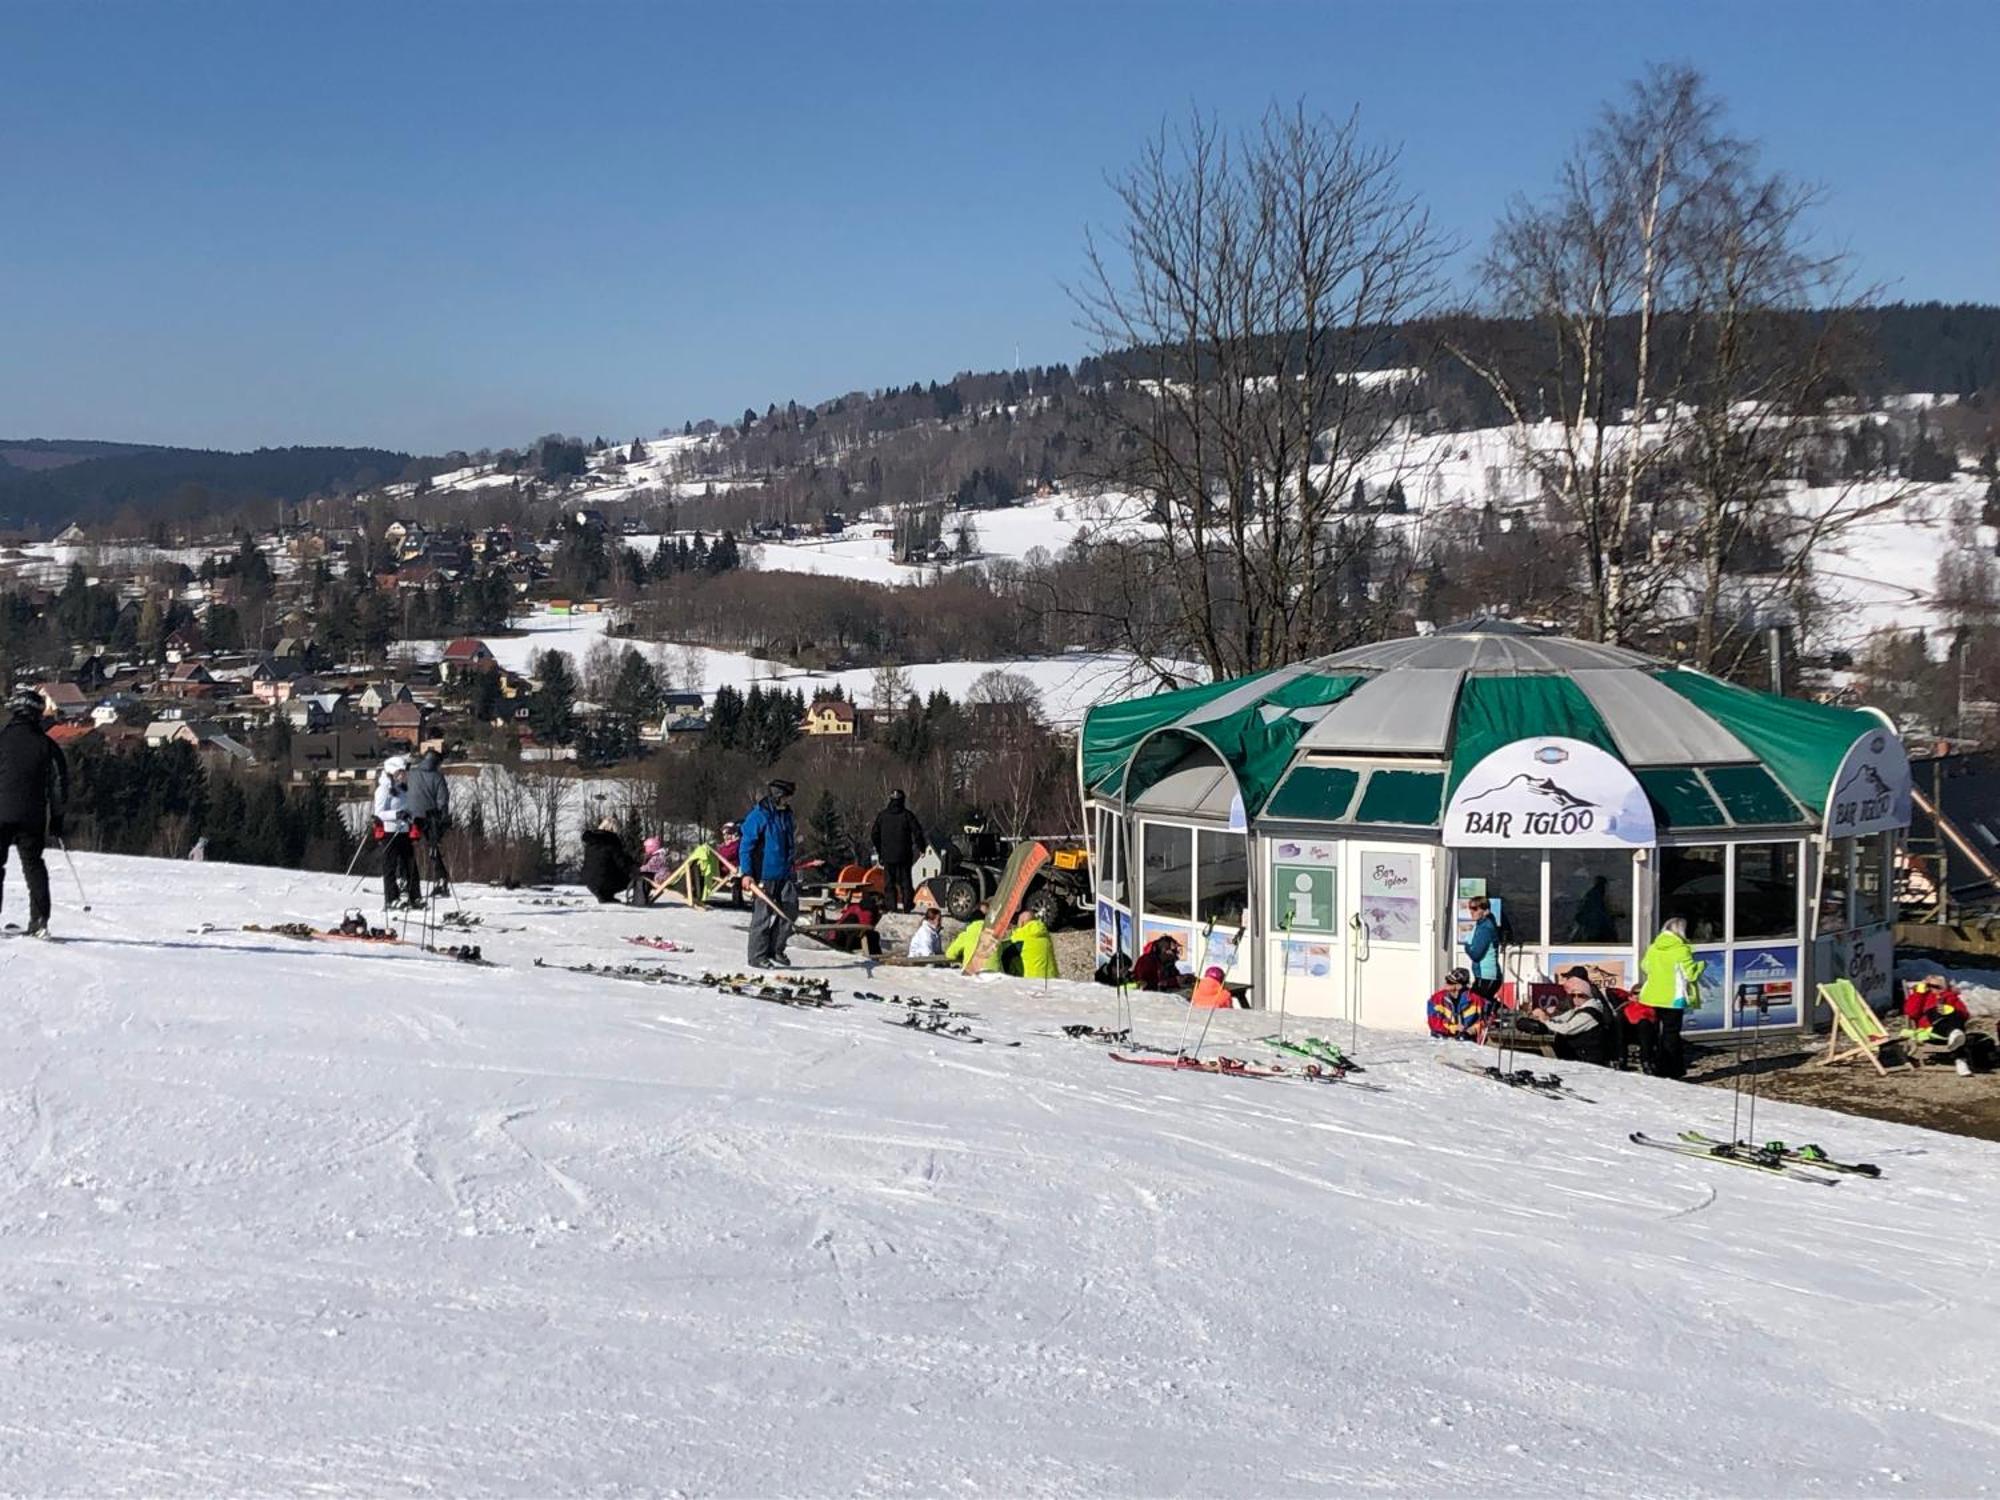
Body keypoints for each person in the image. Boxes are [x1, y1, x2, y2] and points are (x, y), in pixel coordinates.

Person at [0, 688, 70, 938]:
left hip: (1, 813)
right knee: (34, 866)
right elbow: (59, 785)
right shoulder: (47, 745)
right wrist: (58, 819)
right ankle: (39, 921)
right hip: (33, 816)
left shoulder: (2, 739)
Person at [740, 779, 799, 968]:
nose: (789, 801)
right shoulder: (759, 816)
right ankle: (757, 956)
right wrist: (747, 873)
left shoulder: (786, 815)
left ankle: (775, 949)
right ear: (778, 796)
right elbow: (746, 846)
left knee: (790, 910)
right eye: (787, 797)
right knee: (762, 917)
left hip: (785, 873)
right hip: (763, 874)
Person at [1637, 915, 1705, 1079]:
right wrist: (1701, 966)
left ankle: (1656, 1064)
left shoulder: (1654, 947)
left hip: (1652, 995)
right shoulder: (1681, 949)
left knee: (1657, 1031)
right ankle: (1672, 1069)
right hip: (1673, 997)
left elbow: (1645, 966)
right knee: (1671, 1033)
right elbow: (1690, 975)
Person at [1525, 966, 1618, 1067]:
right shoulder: (1579, 999)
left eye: (1580, 995)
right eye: (1573, 995)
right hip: (1582, 1048)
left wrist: (1547, 1020)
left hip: (1589, 1054)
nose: (1575, 998)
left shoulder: (1588, 998)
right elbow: (1565, 1013)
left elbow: (1568, 1027)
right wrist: (1546, 1016)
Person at [403, 748, 452, 899]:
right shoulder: (437, 777)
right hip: (430, 818)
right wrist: (443, 817)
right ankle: (440, 879)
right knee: (433, 848)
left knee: (406, 850)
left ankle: (406, 880)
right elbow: (442, 800)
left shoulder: (412, 774)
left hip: (411, 817)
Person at [372, 755, 419, 910]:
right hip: (390, 832)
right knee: (390, 866)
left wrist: (411, 815)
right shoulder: (383, 789)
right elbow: (379, 813)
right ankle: (391, 898)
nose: (403, 776)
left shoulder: (402, 789)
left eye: (404, 773)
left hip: (404, 830)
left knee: (410, 864)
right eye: (400, 772)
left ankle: (415, 897)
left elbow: (408, 806)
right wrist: (396, 815)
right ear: (391, 772)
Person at [869, 789, 927, 914]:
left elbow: (874, 835)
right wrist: (922, 848)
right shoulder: (907, 815)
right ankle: (907, 906)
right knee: (905, 882)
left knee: (889, 883)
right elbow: (917, 832)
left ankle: (892, 907)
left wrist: (880, 850)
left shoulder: (882, 816)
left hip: (887, 856)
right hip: (904, 855)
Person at [1903, 976, 1971, 1054]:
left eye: (1937, 986)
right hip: (1931, 1029)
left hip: (1951, 1025)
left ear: (1945, 987)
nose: (1932, 988)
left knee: (1953, 1012)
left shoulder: (1951, 997)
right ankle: (1954, 1033)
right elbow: (1911, 1013)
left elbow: (1964, 1014)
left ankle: (1954, 1033)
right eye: (1929, 986)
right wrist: (1919, 994)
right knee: (1934, 1011)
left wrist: (1950, 1009)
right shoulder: (1923, 997)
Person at [581, 816, 636, 904]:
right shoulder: (611, 841)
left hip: (589, 879)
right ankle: (607, 895)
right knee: (629, 878)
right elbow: (621, 862)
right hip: (605, 880)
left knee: (604, 871)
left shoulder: (591, 841)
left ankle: (605, 896)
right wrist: (633, 869)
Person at [1463, 897, 1503, 1005]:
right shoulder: (1481, 924)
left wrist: (1466, 947)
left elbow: (1476, 954)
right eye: (1470, 908)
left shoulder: (1486, 928)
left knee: (1476, 1006)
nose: (1471, 911)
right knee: (1480, 1005)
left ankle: (1510, 1015)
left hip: (1487, 975)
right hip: (1483, 974)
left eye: (1475, 908)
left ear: (1485, 911)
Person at [1426, 968, 1482, 1040]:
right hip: (1442, 1040)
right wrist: (1453, 1028)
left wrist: (1472, 1029)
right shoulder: (1436, 999)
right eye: (1446, 980)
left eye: (1449, 982)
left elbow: (1484, 1020)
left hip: (1467, 1042)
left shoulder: (1475, 999)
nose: (1445, 983)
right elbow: (1434, 1023)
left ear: (1459, 986)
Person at [1003, 907, 1058, 980]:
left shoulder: (1020, 937)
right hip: (1052, 978)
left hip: (1033, 981)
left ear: (1022, 923)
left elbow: (1004, 954)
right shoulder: (1044, 934)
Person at [831, 890, 884, 957]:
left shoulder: (854, 907)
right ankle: (876, 956)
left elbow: (841, 920)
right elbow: (869, 926)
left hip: (838, 937)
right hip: (850, 939)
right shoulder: (870, 911)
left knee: (871, 934)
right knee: (874, 935)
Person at [630, 835, 671, 907]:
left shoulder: (657, 857)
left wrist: (639, 869)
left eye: (647, 847)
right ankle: (642, 897)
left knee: (644, 877)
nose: (645, 849)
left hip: (660, 878)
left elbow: (649, 867)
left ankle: (641, 898)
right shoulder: (659, 855)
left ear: (652, 848)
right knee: (645, 876)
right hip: (662, 875)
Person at [716, 821, 744, 908]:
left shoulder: (735, 845)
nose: (726, 837)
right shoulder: (727, 845)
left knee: (736, 879)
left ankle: (737, 901)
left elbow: (725, 855)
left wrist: (722, 848)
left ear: (734, 834)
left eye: (728, 834)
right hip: (726, 869)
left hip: (731, 870)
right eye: (724, 835)